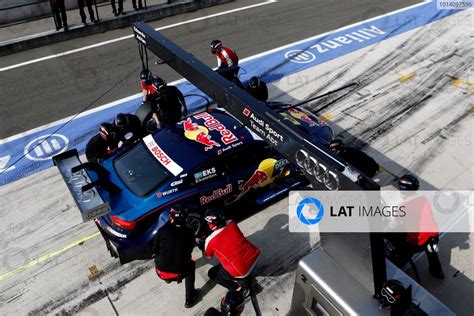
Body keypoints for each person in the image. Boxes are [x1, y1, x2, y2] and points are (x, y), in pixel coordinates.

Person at [387, 175, 444, 279]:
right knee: (431, 252)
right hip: (433, 236)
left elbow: (393, 225)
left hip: (417, 241)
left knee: (402, 252)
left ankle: (391, 269)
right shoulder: (424, 198)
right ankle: (437, 272)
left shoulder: (403, 205)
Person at [204, 210, 260, 292]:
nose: (208, 224)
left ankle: (237, 288)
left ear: (212, 223)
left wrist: (203, 243)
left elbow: (208, 256)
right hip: (255, 257)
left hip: (242, 271)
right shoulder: (231, 223)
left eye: (208, 222)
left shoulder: (210, 240)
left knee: (212, 273)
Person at [153, 206, 198, 308]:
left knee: (159, 258)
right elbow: (189, 250)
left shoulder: (162, 230)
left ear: (171, 217)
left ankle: (167, 279)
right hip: (180, 272)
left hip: (161, 272)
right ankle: (189, 299)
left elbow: (155, 250)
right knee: (191, 265)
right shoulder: (189, 232)